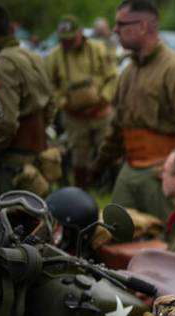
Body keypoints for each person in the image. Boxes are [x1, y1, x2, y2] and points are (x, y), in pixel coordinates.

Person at [89, 0, 175, 221]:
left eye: (121, 24)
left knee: (173, 242)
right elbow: (118, 128)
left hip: (163, 174)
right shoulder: (127, 73)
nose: (115, 30)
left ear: (143, 26)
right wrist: (99, 165)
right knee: (115, 235)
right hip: (129, 171)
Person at [0, 3, 55, 196]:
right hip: (40, 155)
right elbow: (51, 104)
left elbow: (4, 122)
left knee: (7, 220)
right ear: (11, 28)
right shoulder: (33, 56)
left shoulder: (0, 65)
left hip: (15, 163)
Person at [45, 15, 118, 188]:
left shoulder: (98, 49)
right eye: (64, 40)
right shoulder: (54, 56)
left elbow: (113, 77)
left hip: (102, 113)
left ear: (80, 33)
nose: (68, 43)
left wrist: (104, 100)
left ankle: (110, 188)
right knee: (79, 156)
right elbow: (49, 85)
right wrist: (64, 103)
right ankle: (82, 192)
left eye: (71, 38)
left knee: (109, 151)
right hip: (74, 117)